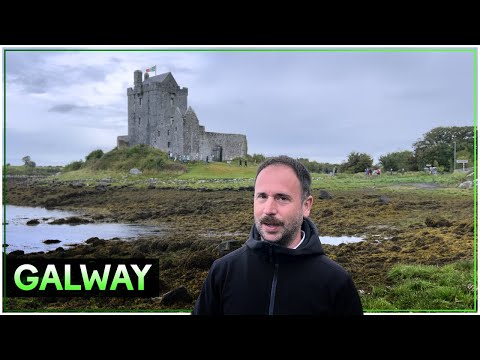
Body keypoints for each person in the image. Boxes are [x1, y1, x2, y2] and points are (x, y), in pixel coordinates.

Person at [192, 155, 363, 315]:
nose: (268, 210)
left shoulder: (336, 282)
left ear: (306, 206)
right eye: (262, 196)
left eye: (282, 198)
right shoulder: (223, 272)